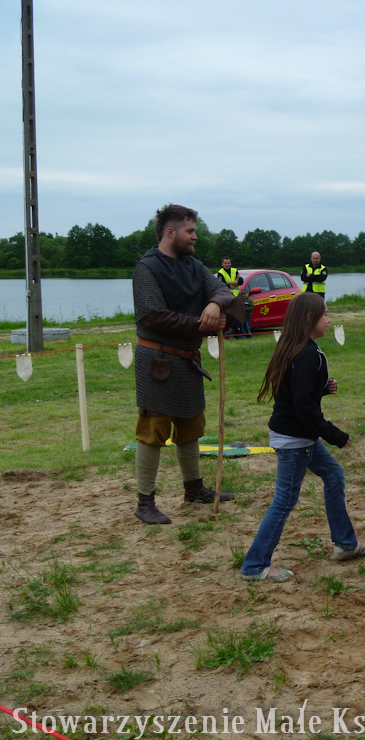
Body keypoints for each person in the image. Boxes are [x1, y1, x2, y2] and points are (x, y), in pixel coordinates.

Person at [241, 293, 365, 582]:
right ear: (309, 318)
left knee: (334, 475)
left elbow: (296, 392)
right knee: (284, 500)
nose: (329, 319)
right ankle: (254, 565)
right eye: (325, 314)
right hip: (295, 440)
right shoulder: (305, 354)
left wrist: (321, 387)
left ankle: (346, 544)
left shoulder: (298, 348)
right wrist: (333, 434)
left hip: (301, 436)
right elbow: (302, 406)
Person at [131, 204, 246, 525]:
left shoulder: (194, 266)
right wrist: (202, 322)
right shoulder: (147, 268)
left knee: (191, 425)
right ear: (171, 232)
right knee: (153, 430)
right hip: (158, 361)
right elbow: (153, 316)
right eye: (190, 231)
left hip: (188, 362)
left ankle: (194, 489)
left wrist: (215, 304)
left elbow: (223, 292)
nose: (195, 236)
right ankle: (144, 502)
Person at [217, 257, 245, 338]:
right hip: (227, 296)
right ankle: (232, 331)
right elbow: (222, 285)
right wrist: (235, 283)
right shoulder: (220, 273)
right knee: (230, 314)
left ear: (231, 263)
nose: (227, 264)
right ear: (222, 264)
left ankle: (232, 331)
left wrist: (229, 283)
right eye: (225, 263)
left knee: (239, 313)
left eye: (228, 263)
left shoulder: (234, 270)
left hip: (236, 296)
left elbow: (241, 281)